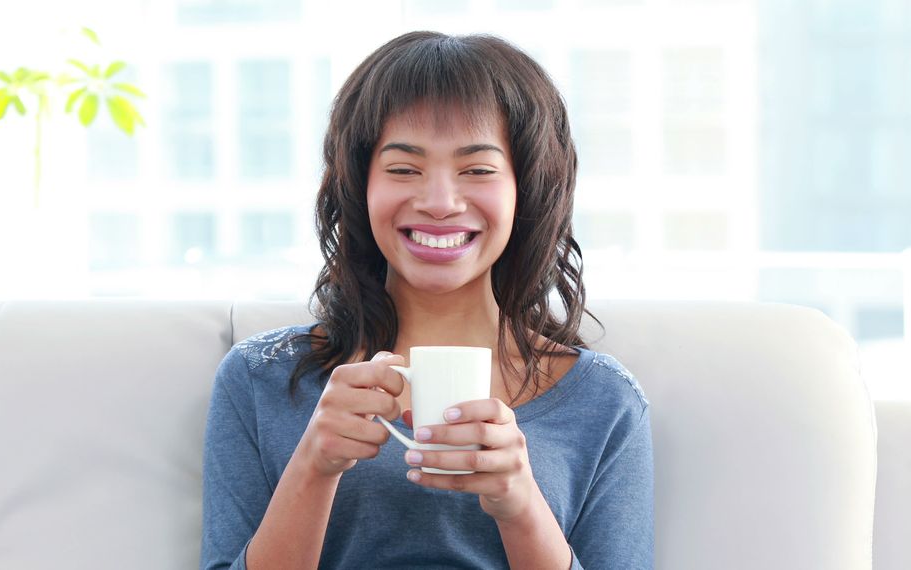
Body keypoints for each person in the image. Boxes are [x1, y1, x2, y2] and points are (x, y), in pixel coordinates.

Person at [201, 31, 653, 570]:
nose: (440, 202)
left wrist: (520, 507)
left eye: (477, 169)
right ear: (358, 187)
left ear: (525, 189)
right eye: (403, 169)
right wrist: (314, 464)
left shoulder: (603, 402)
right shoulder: (260, 379)